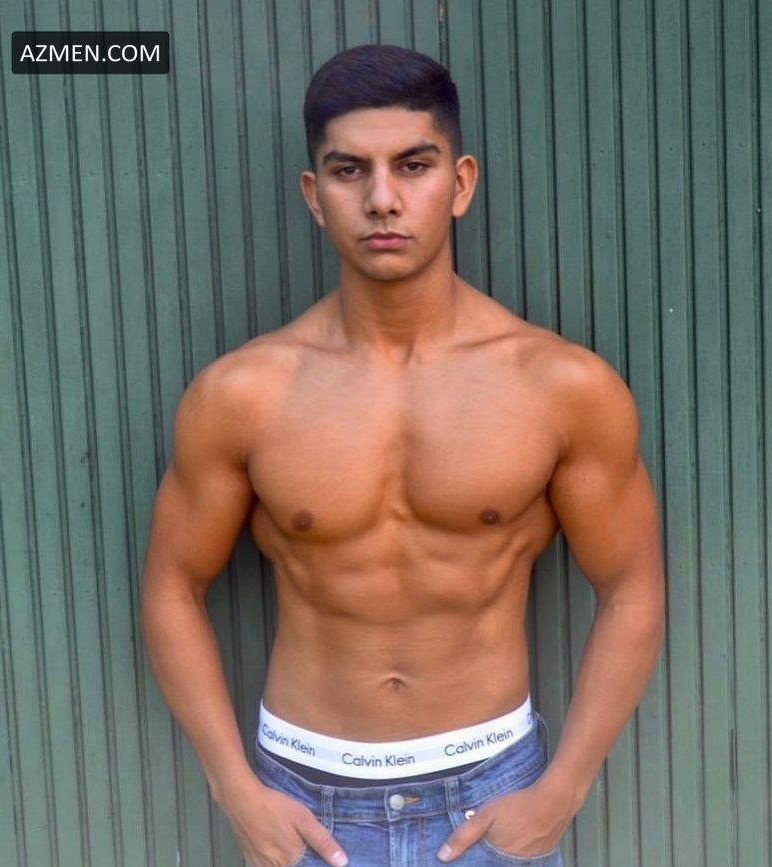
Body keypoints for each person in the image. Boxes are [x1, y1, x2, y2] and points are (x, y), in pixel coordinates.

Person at [142, 44, 665, 867]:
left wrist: (562, 790)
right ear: (314, 196)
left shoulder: (559, 387)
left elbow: (632, 588)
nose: (382, 199)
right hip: (304, 805)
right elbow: (172, 588)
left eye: (413, 166)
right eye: (349, 171)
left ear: (460, 183)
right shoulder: (242, 395)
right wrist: (234, 788)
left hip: (492, 796)